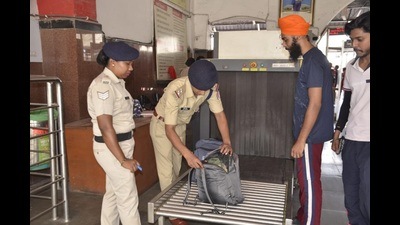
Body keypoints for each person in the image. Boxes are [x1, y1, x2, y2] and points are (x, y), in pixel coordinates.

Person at [149, 59, 233, 225]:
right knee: (167, 170)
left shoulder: (210, 87)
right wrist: (188, 154)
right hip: (162, 126)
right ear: (191, 81)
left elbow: (219, 115)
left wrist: (227, 141)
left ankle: (172, 203)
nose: (202, 93)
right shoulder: (176, 89)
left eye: (205, 89)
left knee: (176, 166)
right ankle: (172, 215)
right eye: (199, 89)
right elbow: (168, 130)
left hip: (179, 126)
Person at [278, 14, 334, 225]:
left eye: (285, 39)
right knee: (305, 181)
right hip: (311, 134)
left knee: (310, 184)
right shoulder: (314, 58)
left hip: (310, 136)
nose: (283, 44)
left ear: (297, 35)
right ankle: (303, 217)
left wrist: (301, 139)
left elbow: (315, 103)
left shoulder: (312, 61)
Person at [87, 41, 142, 225]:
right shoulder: (103, 86)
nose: (131, 68)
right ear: (112, 61)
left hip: (120, 146)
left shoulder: (117, 83)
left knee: (113, 194)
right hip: (110, 148)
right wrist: (123, 160)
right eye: (127, 63)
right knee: (128, 196)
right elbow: (105, 127)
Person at [331, 11, 370, 225]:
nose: (355, 44)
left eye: (360, 39)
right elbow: (347, 103)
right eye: (352, 40)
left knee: (368, 199)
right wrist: (338, 131)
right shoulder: (351, 68)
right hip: (353, 141)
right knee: (352, 198)